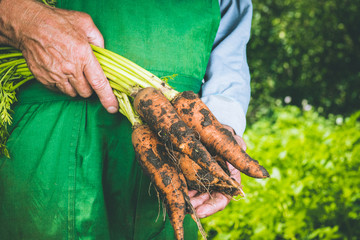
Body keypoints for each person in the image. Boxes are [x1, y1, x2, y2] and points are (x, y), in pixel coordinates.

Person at [0, 0, 252, 239]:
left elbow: (230, 36)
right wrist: (23, 20)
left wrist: (220, 124)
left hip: (173, 140)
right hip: (43, 127)